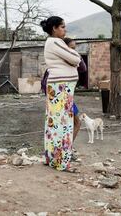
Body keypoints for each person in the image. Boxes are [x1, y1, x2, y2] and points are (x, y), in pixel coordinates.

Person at [41, 16, 81, 171]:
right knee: (63, 124)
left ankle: (52, 158)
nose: (65, 30)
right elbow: (76, 57)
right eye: (63, 27)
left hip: (58, 86)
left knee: (54, 123)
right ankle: (62, 163)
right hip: (61, 87)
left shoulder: (51, 43)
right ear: (54, 28)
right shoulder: (55, 42)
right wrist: (73, 59)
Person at [41, 37, 87, 143]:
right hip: (60, 100)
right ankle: (65, 149)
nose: (73, 51)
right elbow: (45, 86)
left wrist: (76, 56)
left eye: (74, 49)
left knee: (74, 123)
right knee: (66, 125)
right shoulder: (56, 67)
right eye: (71, 48)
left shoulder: (71, 63)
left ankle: (67, 149)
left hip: (67, 98)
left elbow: (83, 68)